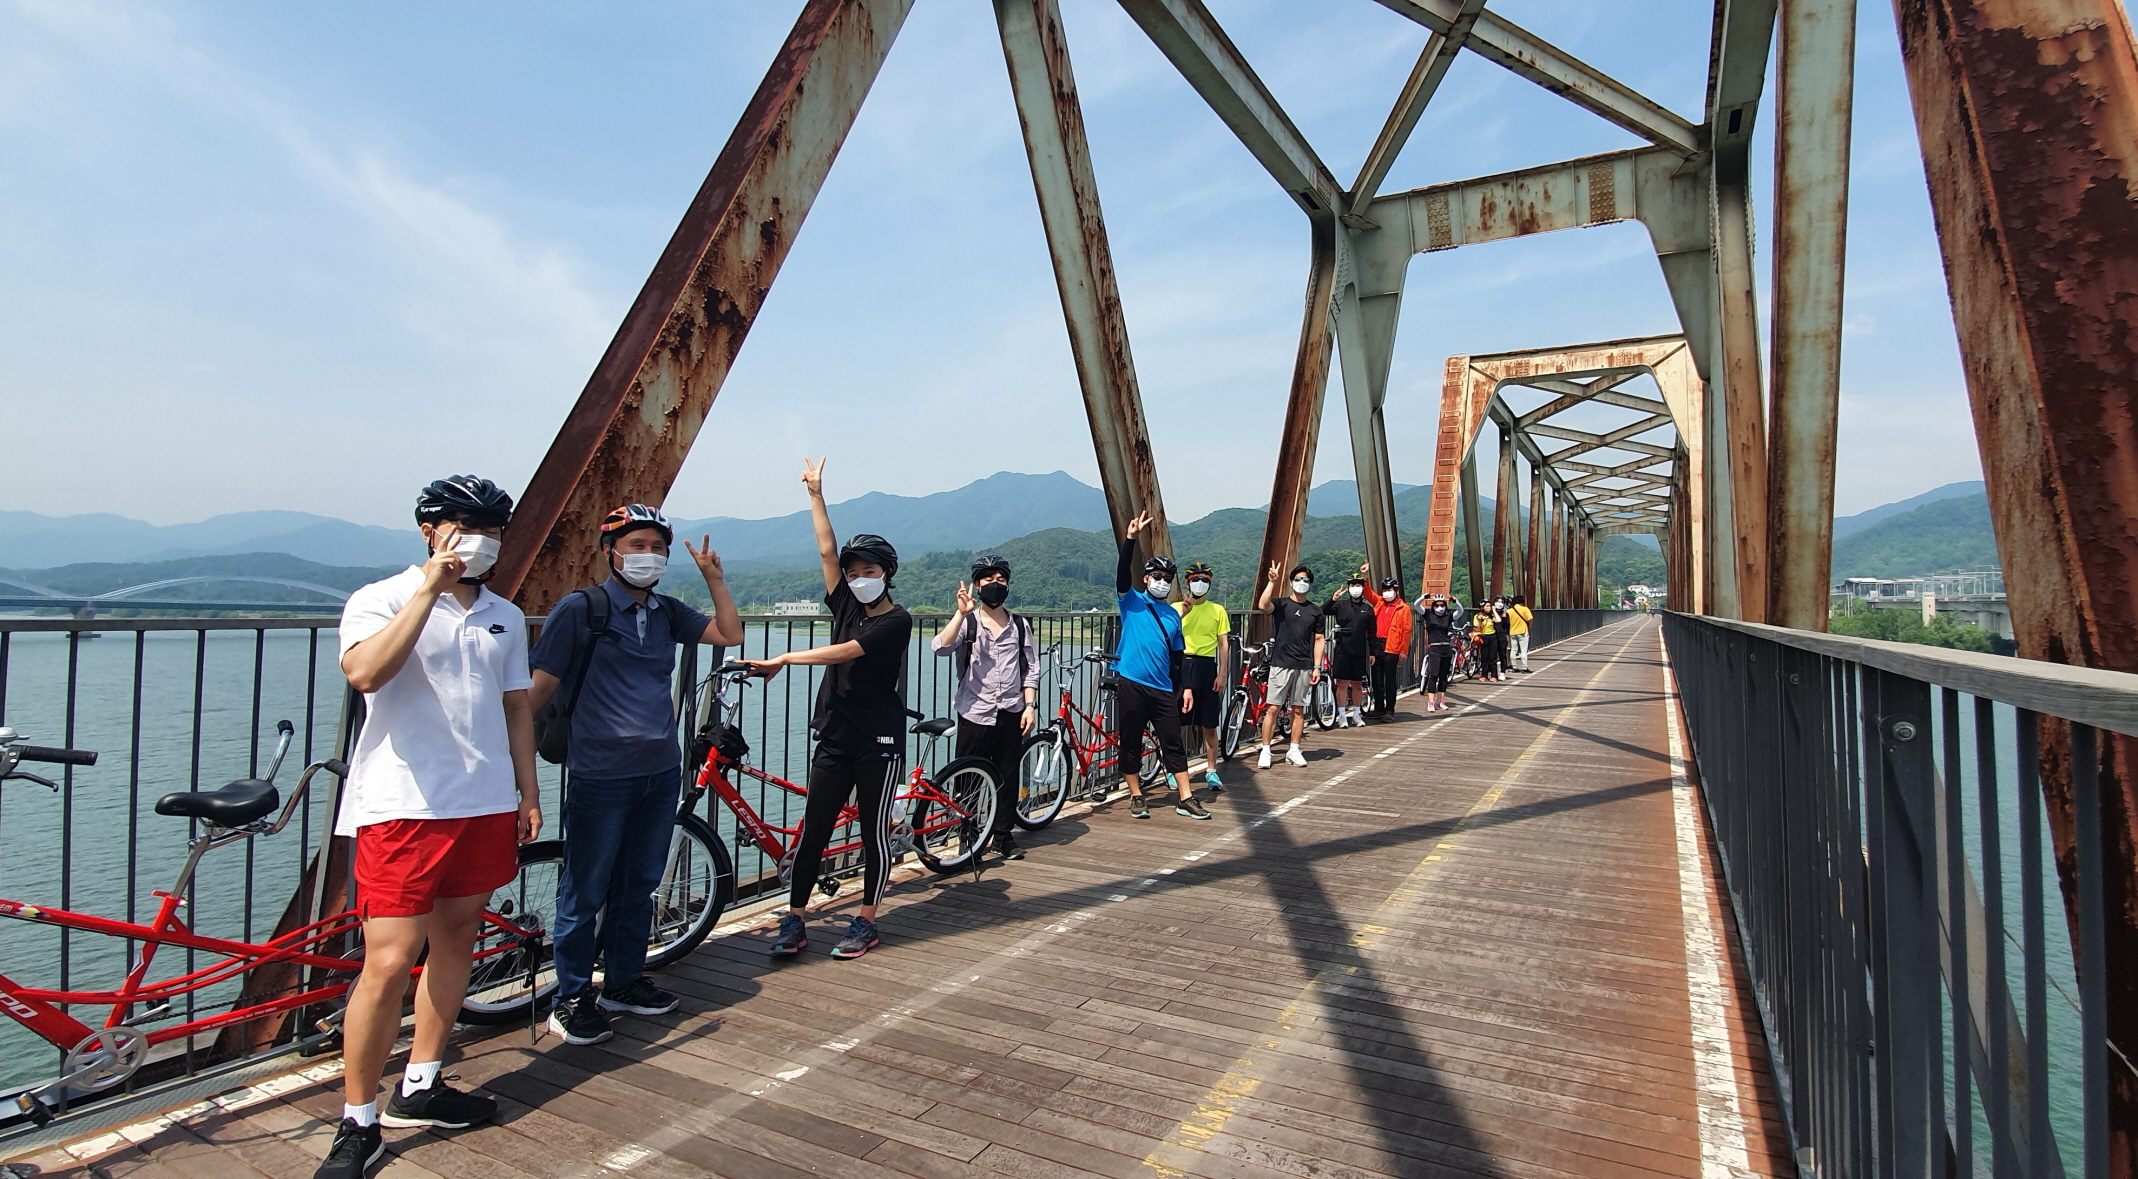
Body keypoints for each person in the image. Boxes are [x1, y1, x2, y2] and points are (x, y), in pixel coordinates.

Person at [318, 476, 540, 1179]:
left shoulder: (505, 615)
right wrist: (428, 591)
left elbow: (516, 710)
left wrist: (527, 792)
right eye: (465, 525)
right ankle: (358, 1120)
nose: (481, 539)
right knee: (385, 964)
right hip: (402, 805)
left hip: (482, 803)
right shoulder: (379, 598)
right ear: (429, 529)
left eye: (493, 528)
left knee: (455, 943)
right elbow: (367, 674)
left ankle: (423, 1082)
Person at [529, 504, 744, 1047]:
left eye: (656, 547)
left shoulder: (668, 612)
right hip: (599, 771)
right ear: (611, 550)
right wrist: (509, 765)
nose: (647, 555)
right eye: (636, 545)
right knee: (585, 888)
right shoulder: (581, 610)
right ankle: (570, 996)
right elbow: (536, 691)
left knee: (639, 884)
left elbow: (729, 634)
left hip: (658, 768)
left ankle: (622, 982)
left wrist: (713, 577)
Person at [752, 458, 913, 961]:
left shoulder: (899, 620)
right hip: (837, 735)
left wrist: (785, 656)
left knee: (872, 832)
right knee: (815, 828)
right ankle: (795, 917)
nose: (859, 578)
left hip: (878, 741)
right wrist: (816, 494)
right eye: (853, 572)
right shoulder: (844, 605)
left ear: (886, 574)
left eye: (868, 572)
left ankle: (866, 919)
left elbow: (844, 653)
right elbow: (826, 547)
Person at [932, 554, 1040, 860]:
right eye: (988, 579)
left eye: (1001, 579)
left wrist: (1029, 705)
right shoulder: (968, 623)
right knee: (968, 778)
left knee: (1007, 775)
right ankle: (969, 837)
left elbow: (1031, 668)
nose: (995, 585)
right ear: (977, 585)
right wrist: (959, 614)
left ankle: (1002, 835)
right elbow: (939, 648)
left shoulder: (1019, 625)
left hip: (1012, 711)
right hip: (974, 712)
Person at [1111, 511, 1209, 819]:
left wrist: (1186, 689)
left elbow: (1179, 659)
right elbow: (1122, 574)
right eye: (1156, 577)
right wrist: (1130, 540)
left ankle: (1186, 796)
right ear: (1146, 579)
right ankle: (1137, 794)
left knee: (1172, 742)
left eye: (1167, 579)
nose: (1162, 582)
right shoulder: (1131, 601)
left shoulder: (1172, 615)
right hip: (1132, 682)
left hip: (1164, 688)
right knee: (1130, 741)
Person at [1254, 561, 1324, 768]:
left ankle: (1294, 749)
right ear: (1291, 582)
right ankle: (1266, 750)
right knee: (1273, 707)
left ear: (1310, 584)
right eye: (1298, 579)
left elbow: (1319, 639)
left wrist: (1317, 666)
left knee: (1299, 709)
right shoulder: (1282, 604)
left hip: (1304, 664)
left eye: (1305, 580)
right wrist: (1271, 582)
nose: (1301, 583)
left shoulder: (1315, 610)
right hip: (1280, 663)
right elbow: (1263, 606)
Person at [1174, 561, 1229, 791]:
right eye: (1195, 580)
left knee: (1209, 723)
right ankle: (1173, 770)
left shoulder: (1217, 610)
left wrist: (1222, 673)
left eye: (1205, 580)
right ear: (1187, 583)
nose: (1200, 584)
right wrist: (1183, 613)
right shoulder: (1176, 608)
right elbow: (1168, 637)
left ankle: (1211, 770)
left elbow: (1223, 644)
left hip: (1207, 666)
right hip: (1182, 664)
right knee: (1179, 723)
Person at [1323, 567, 1376, 727]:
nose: (1355, 588)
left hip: (1360, 651)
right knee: (1342, 683)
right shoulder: (1340, 606)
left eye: (1358, 585)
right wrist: (1333, 599)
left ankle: (1357, 715)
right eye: (1352, 585)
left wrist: (1372, 652)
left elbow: (1372, 632)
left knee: (1357, 684)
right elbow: (1322, 611)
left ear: (1362, 587)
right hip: (1342, 650)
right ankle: (1341, 716)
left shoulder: (1368, 609)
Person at [1368, 576, 1411, 719]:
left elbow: (1407, 631)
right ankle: (1379, 707)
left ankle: (1389, 710)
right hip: (1377, 644)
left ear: (1396, 591)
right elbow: (1368, 593)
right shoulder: (1380, 602)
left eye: (1389, 590)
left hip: (1392, 645)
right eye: (1385, 590)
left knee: (1390, 680)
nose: (1387, 593)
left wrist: (1403, 651)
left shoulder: (1403, 608)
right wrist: (1365, 576)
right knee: (1376, 678)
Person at [1415, 591, 1464, 712]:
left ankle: (1441, 700)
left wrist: (1455, 601)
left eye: (1442, 605)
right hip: (1434, 648)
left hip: (1446, 648)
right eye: (1437, 605)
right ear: (1433, 606)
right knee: (1434, 675)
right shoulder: (1428, 614)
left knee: (1443, 676)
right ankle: (1430, 702)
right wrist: (1423, 597)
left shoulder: (1448, 617)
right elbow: (1416, 605)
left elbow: (1460, 611)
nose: (1439, 607)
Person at [1470, 599, 1503, 682]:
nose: (1489, 607)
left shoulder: (1491, 616)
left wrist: (1494, 611)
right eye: (1487, 606)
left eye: (1489, 606)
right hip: (1483, 637)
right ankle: (1484, 675)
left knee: (1493, 657)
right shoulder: (1477, 616)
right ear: (1482, 607)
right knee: (1484, 657)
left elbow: (1499, 620)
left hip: (1492, 636)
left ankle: (1494, 675)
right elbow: (1476, 627)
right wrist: (1479, 619)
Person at [1506, 593, 1534, 672]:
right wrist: (1529, 627)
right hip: (1523, 631)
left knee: (1513, 650)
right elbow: (1530, 619)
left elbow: (1507, 621)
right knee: (1523, 651)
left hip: (1512, 632)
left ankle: (1514, 667)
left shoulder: (1509, 611)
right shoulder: (1525, 609)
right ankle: (1524, 667)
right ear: (1522, 602)